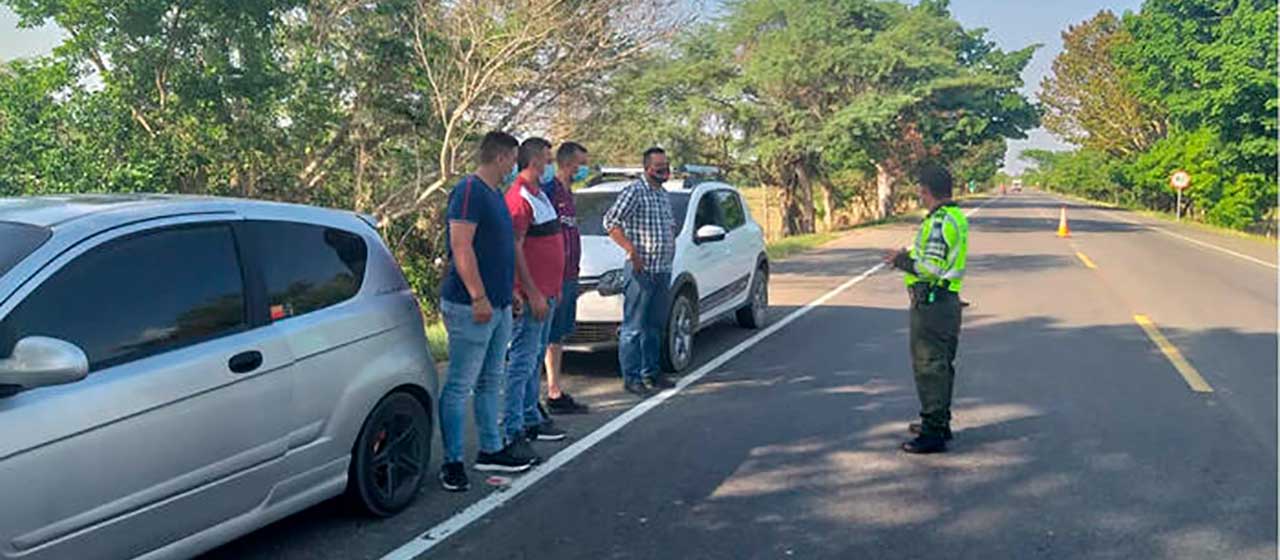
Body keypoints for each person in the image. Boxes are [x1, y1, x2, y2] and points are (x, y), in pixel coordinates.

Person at [438, 131, 535, 493]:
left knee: (490, 379)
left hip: (498, 304)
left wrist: (509, 292)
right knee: (460, 383)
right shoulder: (469, 192)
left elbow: (499, 249)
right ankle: (451, 461)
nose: (514, 166)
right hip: (470, 306)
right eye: (513, 160)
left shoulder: (494, 195)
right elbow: (461, 246)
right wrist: (478, 295)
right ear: (501, 157)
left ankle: (491, 449)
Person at [883, 162, 969, 454]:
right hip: (946, 302)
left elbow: (930, 267)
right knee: (941, 365)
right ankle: (938, 422)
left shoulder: (937, 222)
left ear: (925, 191)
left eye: (920, 190)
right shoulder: (955, 216)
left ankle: (933, 432)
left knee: (929, 366)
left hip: (932, 303)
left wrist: (900, 261)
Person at [504, 137, 567, 462]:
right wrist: (530, 291)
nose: (549, 165)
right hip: (534, 297)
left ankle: (530, 416)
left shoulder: (540, 195)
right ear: (533, 161)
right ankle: (512, 426)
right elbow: (514, 248)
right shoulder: (519, 199)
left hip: (549, 292)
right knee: (522, 361)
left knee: (533, 362)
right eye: (546, 159)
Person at [602, 147, 677, 398]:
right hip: (640, 271)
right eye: (659, 166)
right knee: (633, 326)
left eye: (666, 165)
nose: (664, 170)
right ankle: (631, 378)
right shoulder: (635, 192)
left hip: (662, 270)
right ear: (647, 168)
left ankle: (651, 372)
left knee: (654, 326)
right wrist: (630, 250)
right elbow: (610, 221)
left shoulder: (663, 195)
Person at [542, 142, 592, 414]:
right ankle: (536, 398)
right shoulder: (550, 191)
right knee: (544, 336)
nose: (583, 169)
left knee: (558, 335)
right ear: (567, 163)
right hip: (553, 278)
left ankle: (554, 389)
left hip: (570, 275)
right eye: (580, 164)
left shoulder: (569, 193)